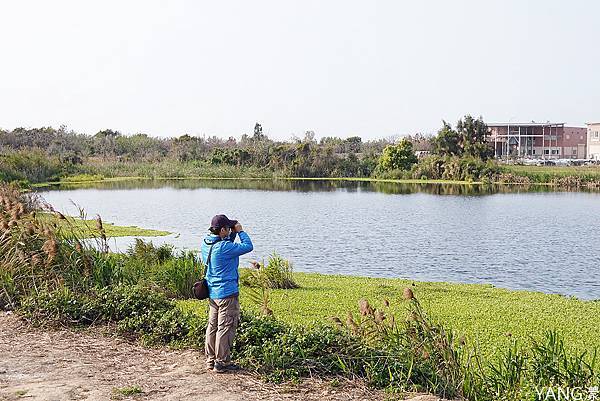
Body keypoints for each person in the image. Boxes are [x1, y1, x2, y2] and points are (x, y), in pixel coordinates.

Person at [201, 214, 253, 373]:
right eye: (228, 228)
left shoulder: (207, 243)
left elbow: (226, 242)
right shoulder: (224, 248)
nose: (231, 230)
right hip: (227, 295)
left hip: (213, 294)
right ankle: (222, 362)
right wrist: (241, 231)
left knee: (213, 327)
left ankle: (211, 360)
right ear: (222, 230)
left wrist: (232, 232)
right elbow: (247, 246)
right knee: (225, 328)